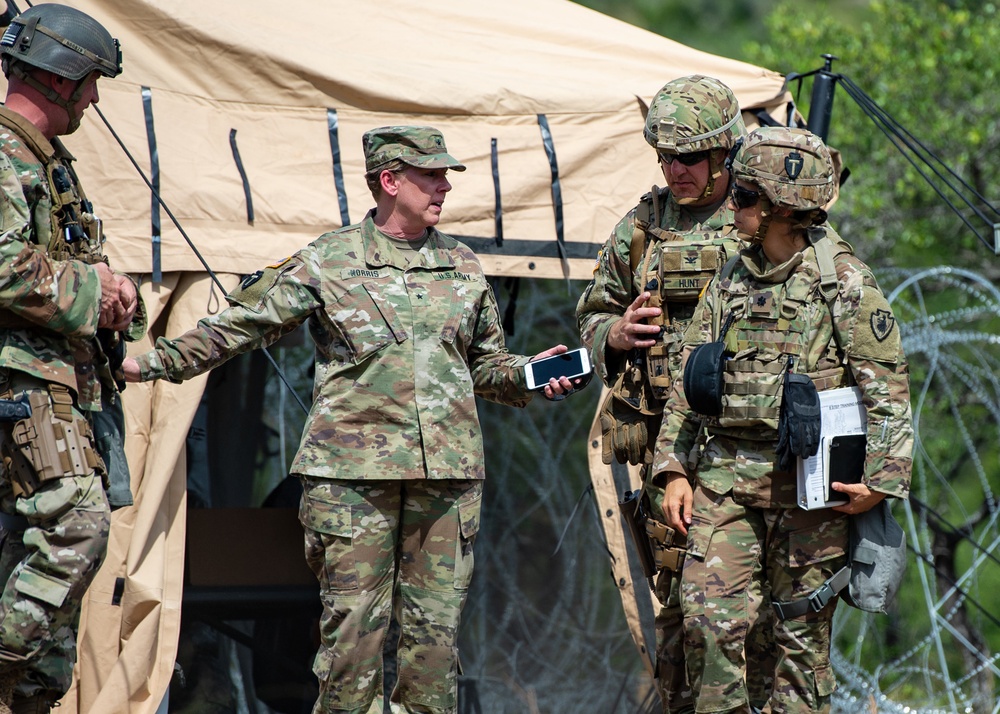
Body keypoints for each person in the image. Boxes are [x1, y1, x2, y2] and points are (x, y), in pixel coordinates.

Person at [121, 125, 587, 714]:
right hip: (351, 483)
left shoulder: (463, 265)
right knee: (351, 640)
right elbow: (238, 328)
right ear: (390, 182)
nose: (444, 186)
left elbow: (483, 366)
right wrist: (149, 363)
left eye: (445, 175)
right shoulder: (329, 261)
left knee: (434, 647)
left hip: (444, 483)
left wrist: (527, 373)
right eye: (431, 175)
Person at [653, 126, 913, 713]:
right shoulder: (731, 277)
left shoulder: (842, 281)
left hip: (810, 492)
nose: (733, 205)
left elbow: (888, 390)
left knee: (798, 645)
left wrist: (880, 482)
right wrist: (672, 468)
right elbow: (692, 383)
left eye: (744, 197)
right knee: (708, 625)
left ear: (780, 208)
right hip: (725, 482)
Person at [576, 74, 773, 713]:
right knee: (684, 601)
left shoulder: (758, 215)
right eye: (664, 157)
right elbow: (593, 308)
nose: (674, 170)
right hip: (668, 451)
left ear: (723, 152)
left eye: (687, 157)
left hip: (749, 445)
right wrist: (615, 330)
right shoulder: (645, 222)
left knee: (755, 611)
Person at [0, 4, 142, 712]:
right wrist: (97, 289)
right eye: (88, 81)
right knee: (75, 527)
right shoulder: (2, 151)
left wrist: (119, 296)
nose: (94, 98)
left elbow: (69, 260)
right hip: (22, 380)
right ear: (57, 78)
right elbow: (2, 266)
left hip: (66, 383)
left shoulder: (46, 163)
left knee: (46, 646)